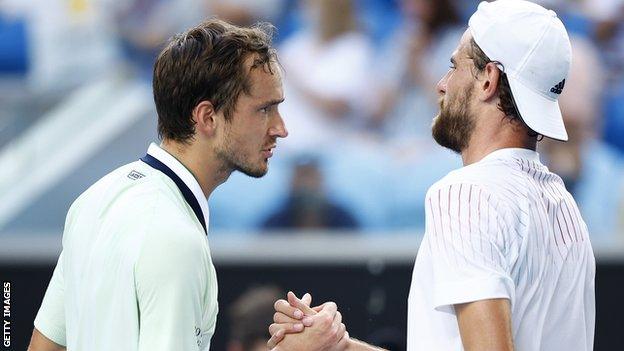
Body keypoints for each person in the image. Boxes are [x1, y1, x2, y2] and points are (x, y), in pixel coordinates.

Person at [268, 1, 595, 350]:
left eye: (454, 66)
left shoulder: (466, 194)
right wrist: (341, 346)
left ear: (488, 79)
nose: (441, 84)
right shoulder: (567, 208)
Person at [26, 18, 330, 351]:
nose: (281, 128)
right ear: (207, 117)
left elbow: (43, 346)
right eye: (265, 109)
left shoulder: (94, 199)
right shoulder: (175, 238)